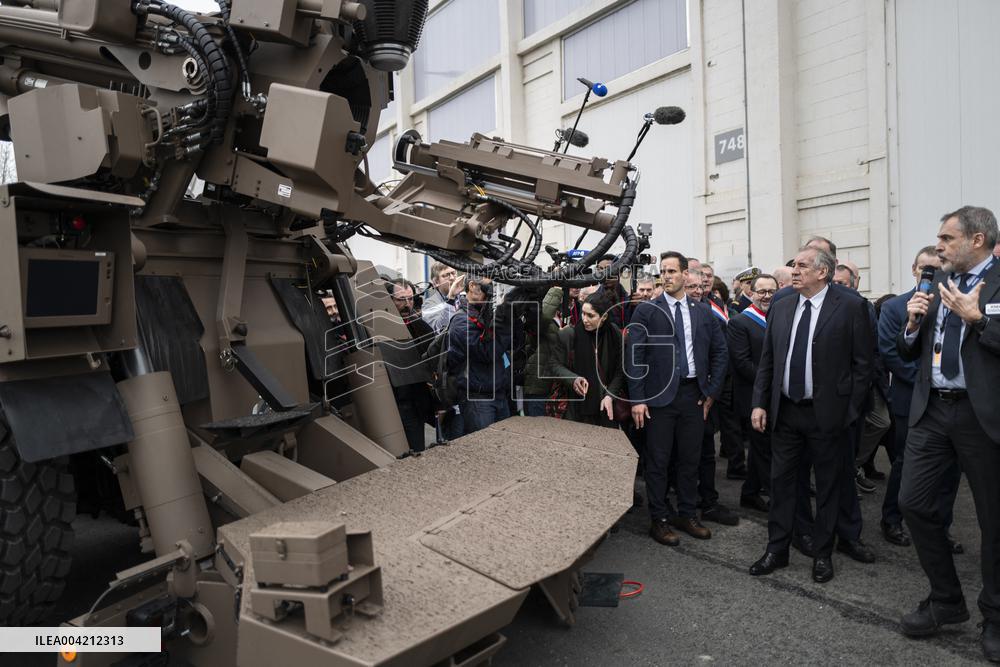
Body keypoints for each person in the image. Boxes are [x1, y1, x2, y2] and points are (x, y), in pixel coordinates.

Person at [895, 206, 1000, 661]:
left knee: (993, 520)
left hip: (983, 416)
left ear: (977, 240)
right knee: (913, 503)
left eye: (946, 238)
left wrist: (979, 320)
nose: (938, 246)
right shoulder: (935, 282)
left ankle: (995, 615)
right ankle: (946, 599)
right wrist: (912, 325)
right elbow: (908, 350)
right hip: (933, 410)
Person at [748, 245, 873, 584]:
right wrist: (760, 402)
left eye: (802, 265)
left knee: (829, 486)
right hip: (786, 412)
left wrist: (848, 412)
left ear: (822, 272)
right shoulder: (782, 304)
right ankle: (777, 549)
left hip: (828, 415)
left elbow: (863, 366)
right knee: (782, 483)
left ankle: (822, 554)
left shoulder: (851, 306)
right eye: (794, 265)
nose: (795, 270)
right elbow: (768, 360)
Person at [626, 251, 728, 546]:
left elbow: (720, 352)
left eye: (671, 271)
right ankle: (659, 519)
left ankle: (687, 513)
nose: (666, 276)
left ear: (686, 274)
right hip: (658, 398)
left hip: (693, 396)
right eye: (663, 271)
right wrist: (638, 400)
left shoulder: (702, 311)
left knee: (689, 459)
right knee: (658, 462)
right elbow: (635, 357)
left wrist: (711, 391)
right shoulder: (647, 311)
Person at [878, 246, 962, 549]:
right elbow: (890, 352)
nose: (930, 274)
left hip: (951, 403)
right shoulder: (894, 307)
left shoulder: (956, 304)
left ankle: (941, 527)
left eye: (936, 268)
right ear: (914, 270)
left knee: (950, 469)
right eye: (925, 268)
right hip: (911, 398)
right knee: (904, 463)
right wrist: (928, 384)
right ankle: (892, 519)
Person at [728, 273, 777, 512]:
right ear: (751, 293)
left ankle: (750, 493)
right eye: (762, 291)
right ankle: (777, 499)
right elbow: (742, 362)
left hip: (775, 396)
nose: (766, 296)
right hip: (752, 395)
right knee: (764, 448)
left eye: (771, 292)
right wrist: (772, 382)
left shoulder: (778, 318)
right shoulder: (740, 322)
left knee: (761, 448)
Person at [446, 277, 512, 434]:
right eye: (488, 287)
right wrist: (503, 323)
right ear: (472, 286)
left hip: (498, 393)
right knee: (484, 445)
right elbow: (487, 353)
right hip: (477, 398)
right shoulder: (461, 321)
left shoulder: (487, 314)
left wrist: (510, 315)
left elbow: (513, 344)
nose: (492, 293)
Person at [549, 291, 625, 426]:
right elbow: (554, 364)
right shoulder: (569, 334)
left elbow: (620, 370)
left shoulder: (614, 334)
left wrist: (610, 395)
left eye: (590, 315)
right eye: (583, 313)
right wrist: (573, 379)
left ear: (604, 317)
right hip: (576, 408)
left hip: (606, 407)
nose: (584, 319)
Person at [387, 279, 435, 451]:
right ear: (389, 300)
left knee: (417, 450)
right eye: (401, 299)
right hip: (390, 402)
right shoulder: (379, 327)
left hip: (414, 403)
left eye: (410, 298)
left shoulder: (421, 327)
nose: (407, 304)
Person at [521, 286, 567, 416]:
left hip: (552, 384)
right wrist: (556, 289)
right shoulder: (537, 314)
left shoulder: (561, 314)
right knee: (537, 425)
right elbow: (543, 318)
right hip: (537, 386)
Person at [423, 262, 464, 332]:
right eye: (446, 275)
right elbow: (439, 330)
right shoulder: (429, 304)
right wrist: (450, 300)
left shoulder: (464, 297)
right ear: (436, 282)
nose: (452, 278)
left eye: (453, 273)